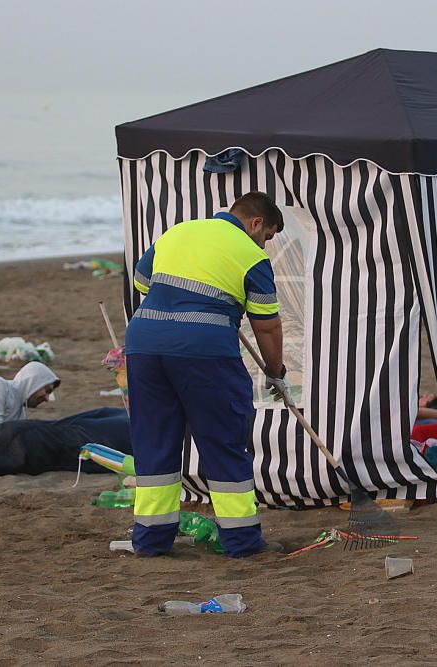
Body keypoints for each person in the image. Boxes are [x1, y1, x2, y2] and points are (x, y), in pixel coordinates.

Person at [126, 191, 290, 558]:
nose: (265, 244)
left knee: (154, 442)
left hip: (144, 343)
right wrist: (275, 372)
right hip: (204, 350)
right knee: (223, 441)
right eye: (267, 236)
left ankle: (151, 542)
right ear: (256, 223)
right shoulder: (252, 255)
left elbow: (141, 281)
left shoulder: (179, 231)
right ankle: (243, 544)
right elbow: (268, 327)